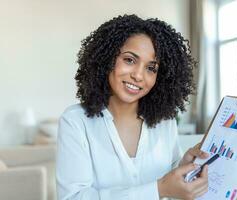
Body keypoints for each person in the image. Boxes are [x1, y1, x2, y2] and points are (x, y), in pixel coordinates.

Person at [56, 14, 209, 200]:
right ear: (106, 59)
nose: (138, 75)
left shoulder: (164, 121)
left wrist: (184, 165)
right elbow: (73, 197)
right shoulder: (76, 121)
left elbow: (169, 177)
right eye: (129, 60)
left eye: (151, 68)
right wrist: (159, 190)